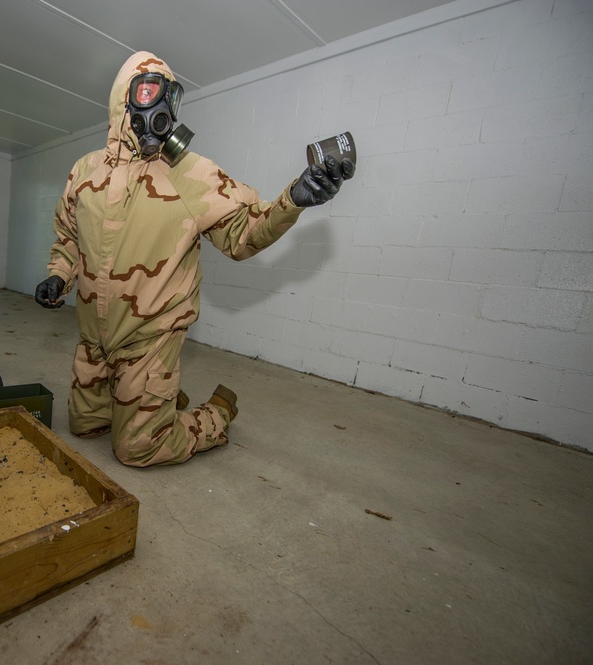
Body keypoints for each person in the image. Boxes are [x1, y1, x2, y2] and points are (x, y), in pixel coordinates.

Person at [35, 51, 354, 467]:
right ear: (122, 101)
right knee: (86, 428)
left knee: (135, 449)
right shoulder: (85, 171)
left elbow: (243, 234)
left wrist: (294, 199)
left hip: (150, 334)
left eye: (168, 96)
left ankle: (216, 414)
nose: (159, 106)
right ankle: (158, 401)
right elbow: (68, 235)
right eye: (148, 91)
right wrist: (58, 276)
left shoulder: (189, 172)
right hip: (93, 337)